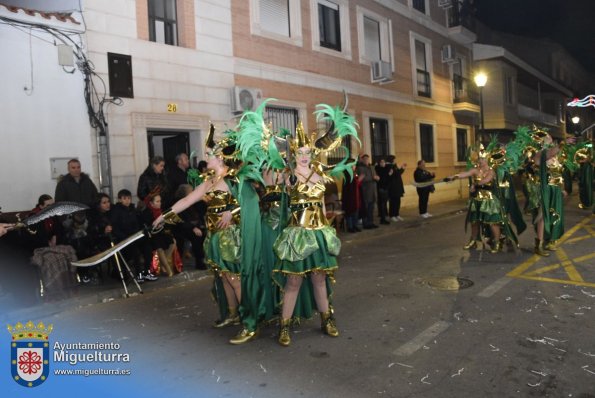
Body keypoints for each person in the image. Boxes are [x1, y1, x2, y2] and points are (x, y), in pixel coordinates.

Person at [153, 126, 264, 345]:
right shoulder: (209, 181)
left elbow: (253, 202)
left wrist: (231, 212)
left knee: (234, 279)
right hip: (214, 235)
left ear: (221, 158)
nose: (206, 157)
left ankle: (250, 324)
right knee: (223, 277)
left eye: (209, 155)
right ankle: (232, 314)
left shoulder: (234, 180)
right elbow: (186, 201)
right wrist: (163, 216)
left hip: (231, 238)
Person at [272, 123, 346, 347]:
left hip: (319, 233)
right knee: (293, 281)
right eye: (300, 153)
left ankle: (327, 320)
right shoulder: (288, 175)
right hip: (298, 235)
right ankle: (284, 326)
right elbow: (276, 187)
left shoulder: (319, 173)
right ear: (293, 154)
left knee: (319, 278)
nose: (304, 156)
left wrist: (328, 228)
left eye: (308, 152)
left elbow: (322, 204)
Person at [449, 156, 504, 253]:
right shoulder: (475, 170)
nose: (480, 161)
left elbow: (486, 180)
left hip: (488, 200)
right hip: (477, 200)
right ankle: (473, 241)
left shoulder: (491, 171)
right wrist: (455, 176)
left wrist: (474, 184)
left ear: (487, 160)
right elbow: (465, 174)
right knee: (474, 222)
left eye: (483, 159)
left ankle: (497, 242)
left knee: (492, 222)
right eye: (479, 159)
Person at [111, 189, 157, 282]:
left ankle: (146, 272)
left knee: (148, 247)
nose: (127, 200)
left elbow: (138, 222)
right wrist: (125, 237)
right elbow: (115, 228)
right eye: (124, 198)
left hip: (135, 236)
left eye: (129, 198)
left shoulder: (133, 209)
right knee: (135, 251)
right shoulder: (116, 211)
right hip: (124, 239)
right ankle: (139, 274)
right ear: (120, 200)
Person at [356, 154, 379, 229]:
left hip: (373, 190)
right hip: (365, 191)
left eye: (367, 159)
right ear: (362, 160)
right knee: (365, 208)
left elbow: (375, 175)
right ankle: (366, 224)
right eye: (365, 159)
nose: (366, 160)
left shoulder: (372, 167)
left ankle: (371, 222)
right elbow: (361, 179)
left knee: (371, 208)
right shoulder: (360, 168)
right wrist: (372, 178)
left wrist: (377, 178)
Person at [342, 160, 363, 232]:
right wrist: (358, 180)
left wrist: (358, 180)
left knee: (355, 211)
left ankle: (355, 225)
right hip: (349, 196)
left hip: (355, 195)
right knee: (350, 212)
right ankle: (350, 227)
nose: (355, 166)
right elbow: (350, 185)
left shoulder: (353, 173)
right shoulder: (347, 174)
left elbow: (356, 184)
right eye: (354, 165)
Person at [386, 155, 406, 222]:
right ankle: (392, 215)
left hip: (398, 186)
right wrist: (402, 169)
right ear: (391, 160)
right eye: (394, 159)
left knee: (398, 201)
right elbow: (395, 174)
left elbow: (398, 173)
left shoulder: (394, 166)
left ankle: (397, 214)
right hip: (392, 187)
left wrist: (401, 169)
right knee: (393, 202)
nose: (395, 160)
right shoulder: (389, 166)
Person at [375, 158, 391, 225]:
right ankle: (382, 219)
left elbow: (387, 179)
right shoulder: (378, 169)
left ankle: (384, 218)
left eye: (384, 162)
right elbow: (381, 179)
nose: (383, 163)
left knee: (384, 204)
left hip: (386, 188)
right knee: (382, 204)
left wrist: (389, 174)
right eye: (381, 162)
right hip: (381, 188)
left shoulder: (386, 169)